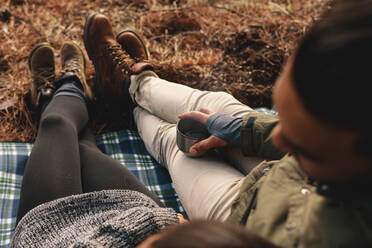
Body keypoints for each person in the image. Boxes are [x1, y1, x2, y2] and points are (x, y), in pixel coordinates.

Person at [82, 0, 372, 247]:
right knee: (214, 105)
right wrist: (241, 130)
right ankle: (136, 83)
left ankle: (128, 103)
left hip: (247, 219)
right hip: (279, 174)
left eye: (304, 147)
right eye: (281, 115)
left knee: (176, 145)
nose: (280, 138)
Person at [10, 30, 278, 248]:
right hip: (145, 218)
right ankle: (125, 88)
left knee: (58, 127)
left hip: (56, 234)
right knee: (82, 147)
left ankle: (63, 90)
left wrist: (161, 223)